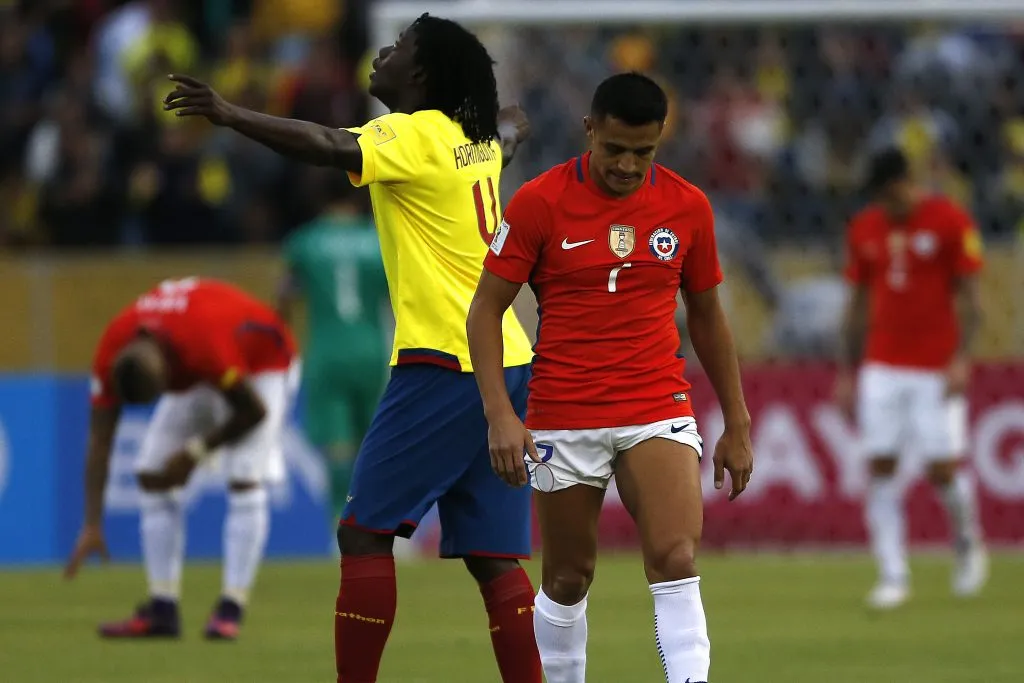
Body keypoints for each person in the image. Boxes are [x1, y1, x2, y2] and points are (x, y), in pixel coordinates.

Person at [164, 13, 541, 683]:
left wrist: (228, 113)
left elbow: (327, 143)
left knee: (363, 532)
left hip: (444, 359)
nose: (381, 55)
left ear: (420, 76)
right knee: (492, 557)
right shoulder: (473, 138)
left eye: (396, 50)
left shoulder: (415, 132)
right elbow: (507, 133)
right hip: (508, 355)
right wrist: (509, 123)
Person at [467, 72, 754, 683]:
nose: (628, 165)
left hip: (657, 404)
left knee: (676, 556)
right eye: (615, 149)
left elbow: (706, 315)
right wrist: (499, 413)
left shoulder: (687, 206)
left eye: (643, 153)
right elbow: (485, 308)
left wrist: (737, 420)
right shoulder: (539, 203)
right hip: (563, 412)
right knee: (568, 577)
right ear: (589, 130)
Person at [64, 277, 298, 640]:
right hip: (204, 364)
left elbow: (253, 411)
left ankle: (230, 608)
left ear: (168, 374)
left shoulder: (203, 345)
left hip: (266, 361)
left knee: (245, 476)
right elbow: (100, 439)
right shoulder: (112, 350)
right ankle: (162, 611)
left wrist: (194, 453)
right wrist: (91, 523)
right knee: (151, 472)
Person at [834, 147, 988, 610]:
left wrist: (962, 358)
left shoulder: (949, 221)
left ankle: (966, 541)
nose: (886, 204)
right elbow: (858, 302)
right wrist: (847, 370)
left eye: (889, 193)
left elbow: (970, 298)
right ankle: (893, 573)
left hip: (935, 365)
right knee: (879, 463)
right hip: (882, 363)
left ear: (906, 181)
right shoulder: (865, 227)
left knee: (942, 468)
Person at [278, 175, 389, 528]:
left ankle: (340, 528)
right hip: (372, 350)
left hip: (327, 351)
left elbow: (284, 296)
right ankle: (383, 525)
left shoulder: (305, 242)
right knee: (373, 444)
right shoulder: (377, 240)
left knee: (337, 448)